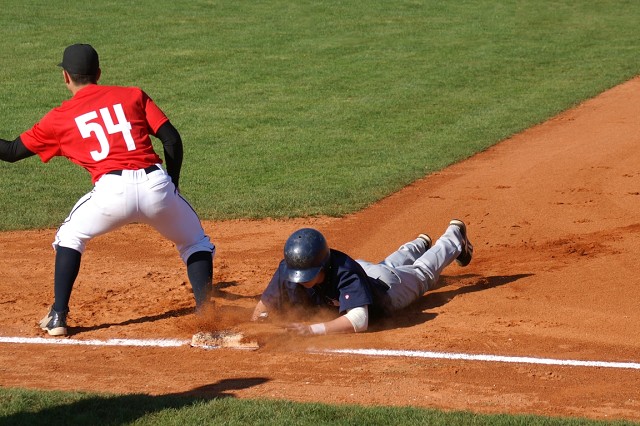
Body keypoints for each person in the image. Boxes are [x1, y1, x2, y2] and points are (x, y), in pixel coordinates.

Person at [0, 44, 215, 336]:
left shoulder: (59, 117)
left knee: (71, 236)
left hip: (111, 193)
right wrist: (172, 185)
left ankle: (58, 316)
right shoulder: (133, 95)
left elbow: (11, 151)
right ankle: (207, 317)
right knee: (195, 242)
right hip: (156, 186)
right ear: (99, 73)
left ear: (65, 77)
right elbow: (172, 139)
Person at [251, 220, 473, 335]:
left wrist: (312, 330)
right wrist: (259, 322)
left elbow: (359, 320)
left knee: (421, 274)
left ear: (322, 265)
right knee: (386, 267)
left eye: (307, 275)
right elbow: (263, 307)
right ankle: (419, 244)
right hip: (366, 274)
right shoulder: (291, 266)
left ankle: (454, 237)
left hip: (387, 289)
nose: (300, 280)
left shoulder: (344, 271)